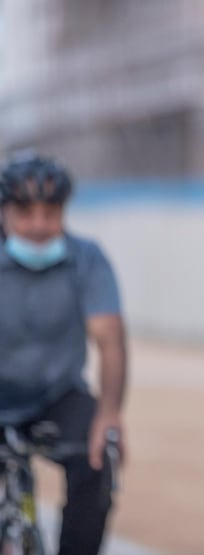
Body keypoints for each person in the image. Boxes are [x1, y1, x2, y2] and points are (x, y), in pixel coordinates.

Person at [0, 154, 127, 555]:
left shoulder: (86, 259)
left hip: (56, 395)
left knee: (97, 457)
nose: (38, 225)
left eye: (50, 212)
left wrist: (109, 414)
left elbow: (109, 338)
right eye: (25, 212)